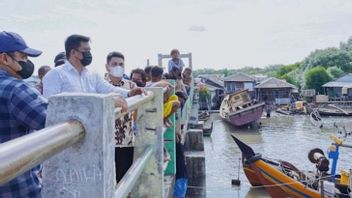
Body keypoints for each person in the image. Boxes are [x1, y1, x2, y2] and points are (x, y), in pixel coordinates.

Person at [0, 31, 47, 198]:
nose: (27, 62)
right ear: (4, 58)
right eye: (23, 57)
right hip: (18, 188)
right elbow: (53, 119)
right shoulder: (16, 88)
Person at [43, 34, 143, 111]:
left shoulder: (92, 75)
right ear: (73, 52)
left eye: (89, 50)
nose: (89, 54)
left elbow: (109, 89)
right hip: (68, 133)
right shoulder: (55, 75)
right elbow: (51, 106)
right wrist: (106, 103)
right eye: (85, 50)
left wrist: (129, 93)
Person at [104, 51, 136, 183]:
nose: (118, 66)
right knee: (108, 182)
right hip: (106, 141)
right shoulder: (100, 85)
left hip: (127, 140)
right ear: (107, 66)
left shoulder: (131, 86)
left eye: (121, 64)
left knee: (124, 181)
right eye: (114, 64)